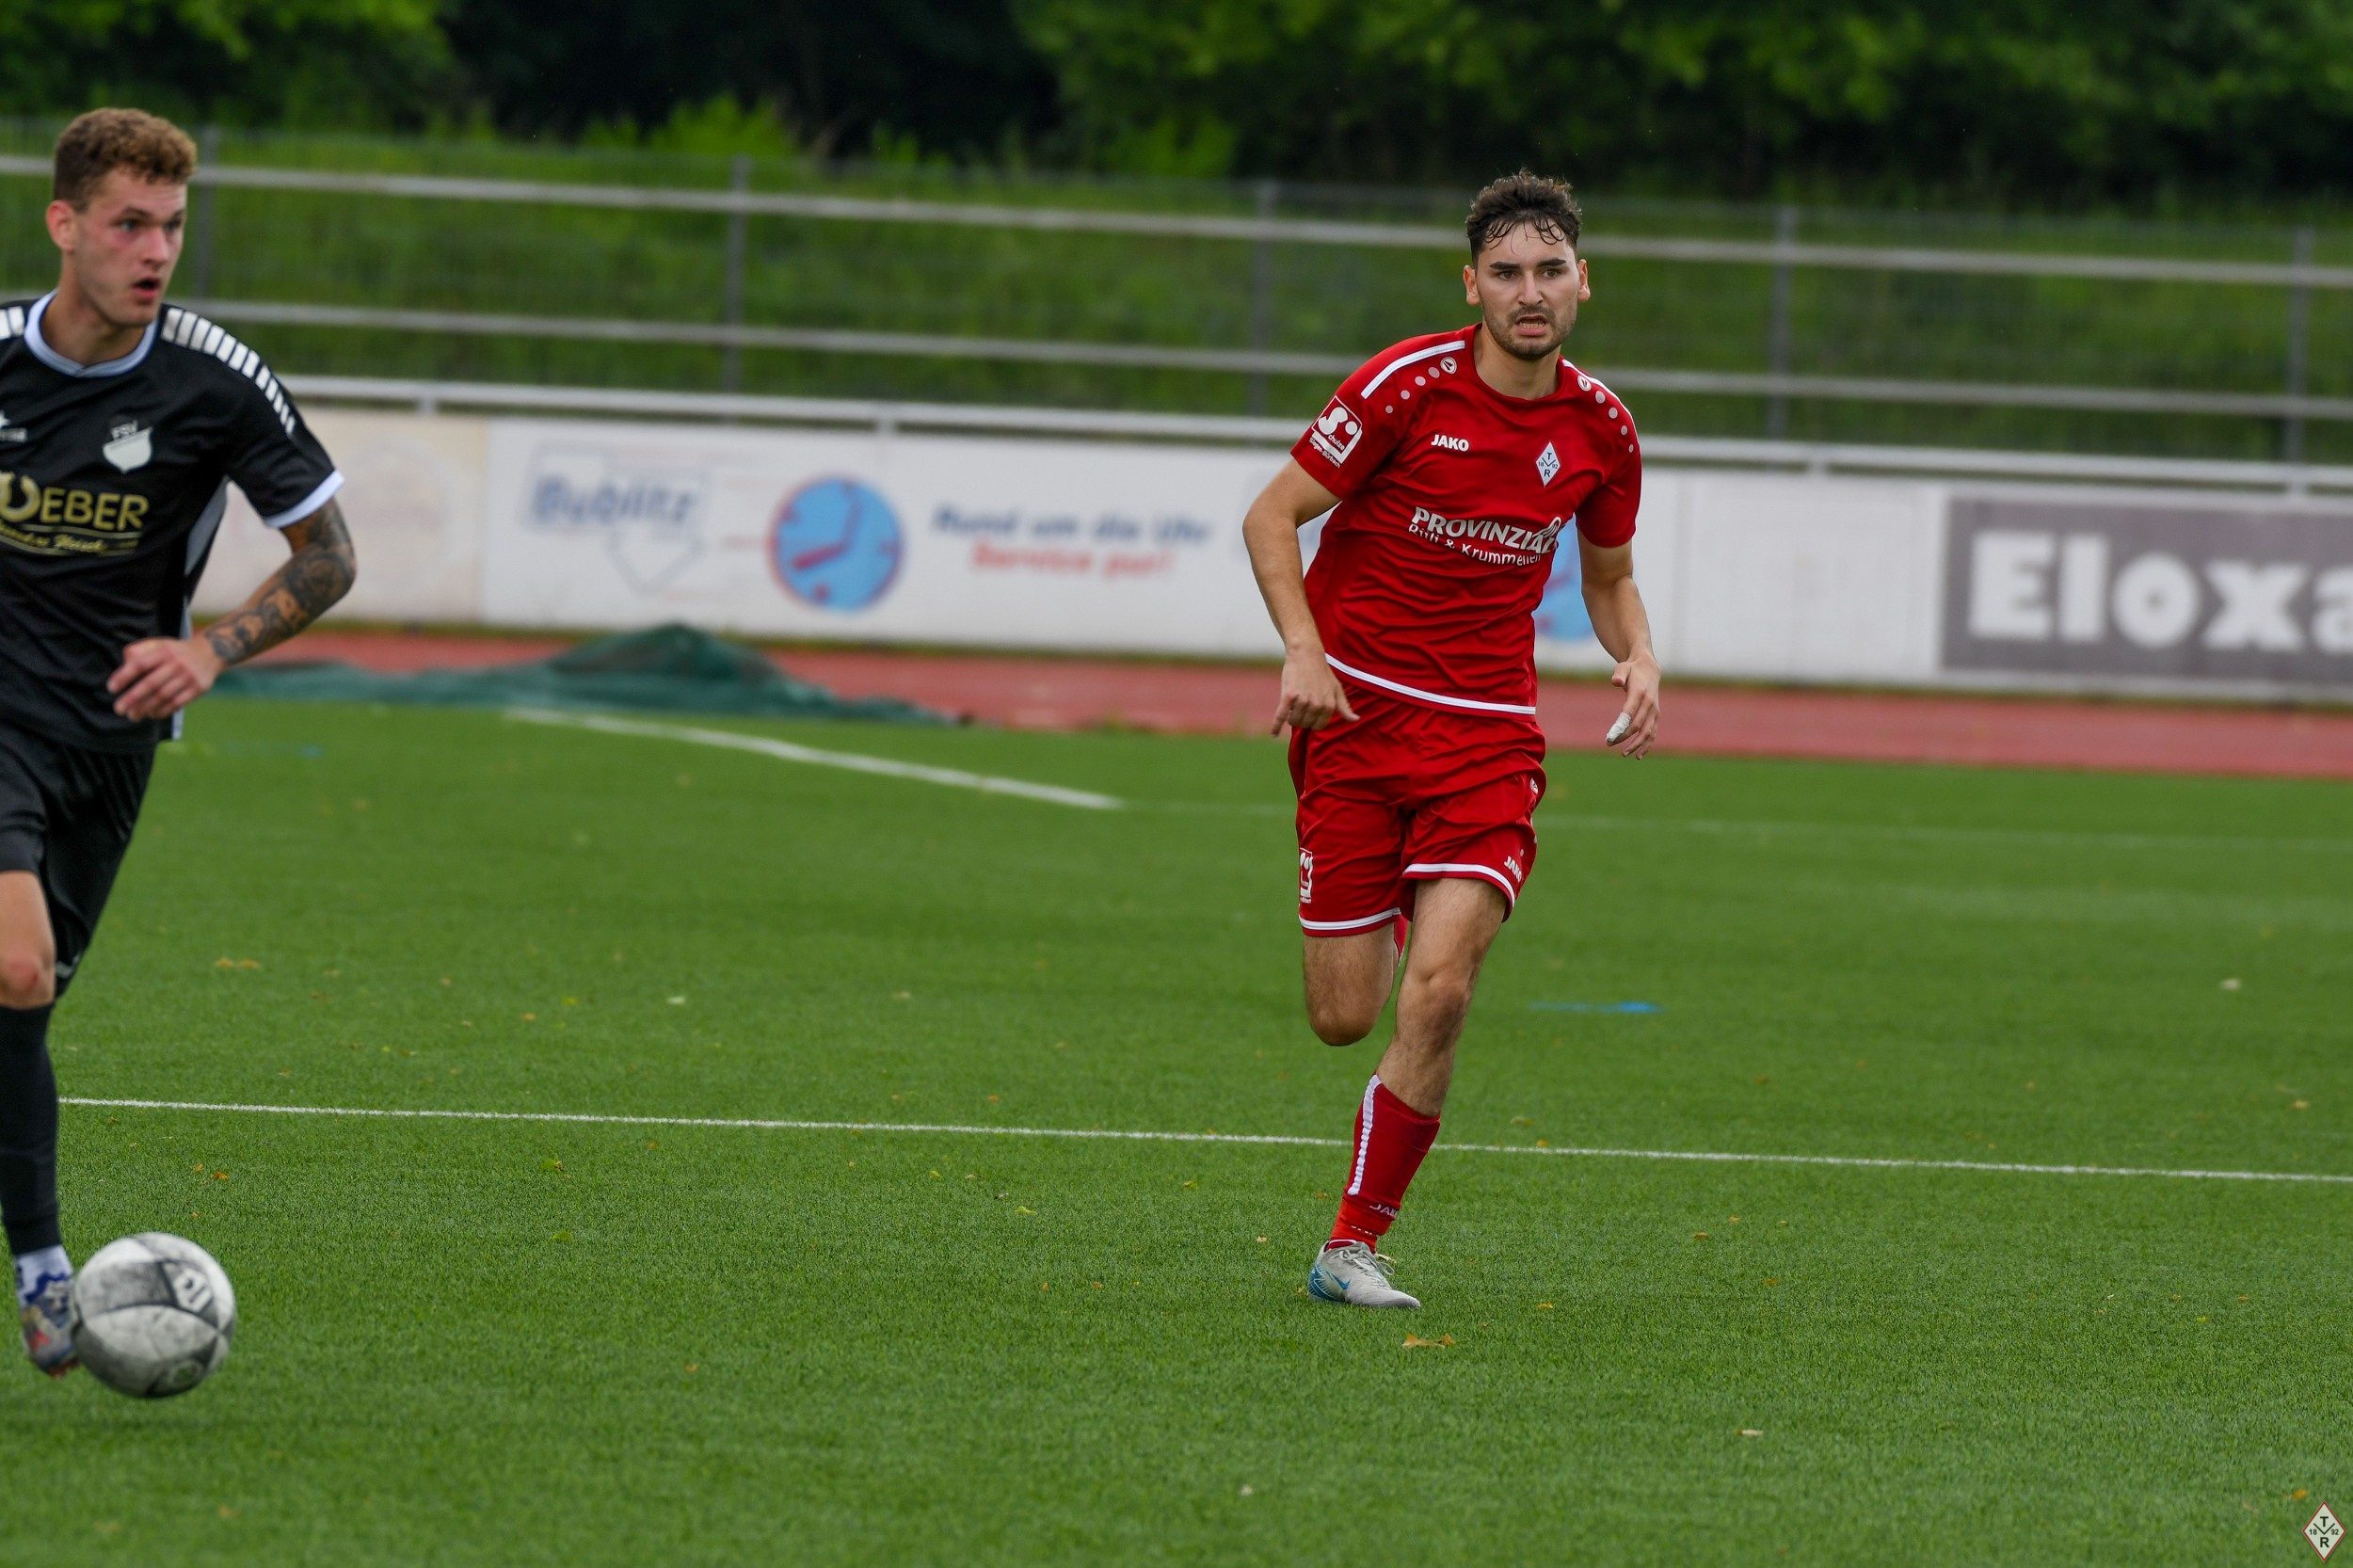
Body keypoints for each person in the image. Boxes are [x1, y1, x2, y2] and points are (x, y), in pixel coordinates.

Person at [1240, 170, 1661, 1309]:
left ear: (1583, 282)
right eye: (1507, 272)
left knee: (1440, 992)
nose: (1530, 292)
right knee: (1343, 1016)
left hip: (1487, 739)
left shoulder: (1602, 428)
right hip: (1356, 720)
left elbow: (1608, 579)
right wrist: (1302, 650)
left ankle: (1350, 1245)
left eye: (1550, 270)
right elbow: (1270, 515)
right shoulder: (1402, 387)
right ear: (1471, 284)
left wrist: (1640, 651)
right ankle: (1389, 890)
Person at [0, 108, 357, 1374]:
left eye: (172, 227)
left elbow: (329, 555)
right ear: (65, 224)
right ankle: (44, 1271)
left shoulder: (215, 381)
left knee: (23, 1009)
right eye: (128, 225)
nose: (155, 251)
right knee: (15, 969)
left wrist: (212, 651)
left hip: (113, 735)